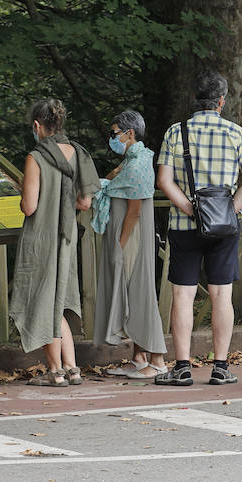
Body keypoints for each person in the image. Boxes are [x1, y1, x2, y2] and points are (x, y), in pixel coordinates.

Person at [154, 70, 242, 387]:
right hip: (224, 227)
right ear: (221, 101)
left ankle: (183, 367)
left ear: (196, 99)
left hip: (184, 225)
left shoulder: (176, 132)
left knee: (182, 295)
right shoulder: (236, 133)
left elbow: (164, 180)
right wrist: (229, 210)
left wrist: (190, 209)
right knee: (221, 295)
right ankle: (220, 367)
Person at [10, 99, 98, 387]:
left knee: (43, 302)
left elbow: (29, 207)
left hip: (41, 238)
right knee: (57, 303)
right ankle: (72, 368)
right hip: (67, 238)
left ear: (37, 126)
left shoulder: (36, 158)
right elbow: (85, 202)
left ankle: (54, 371)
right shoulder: (79, 153)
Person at [92, 110, 166, 379]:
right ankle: (139, 357)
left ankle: (156, 359)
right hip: (128, 235)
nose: (112, 139)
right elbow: (111, 178)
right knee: (132, 293)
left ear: (129, 133)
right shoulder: (136, 158)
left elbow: (134, 210)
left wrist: (119, 245)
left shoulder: (137, 165)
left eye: (114, 134)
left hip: (131, 237)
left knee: (139, 293)